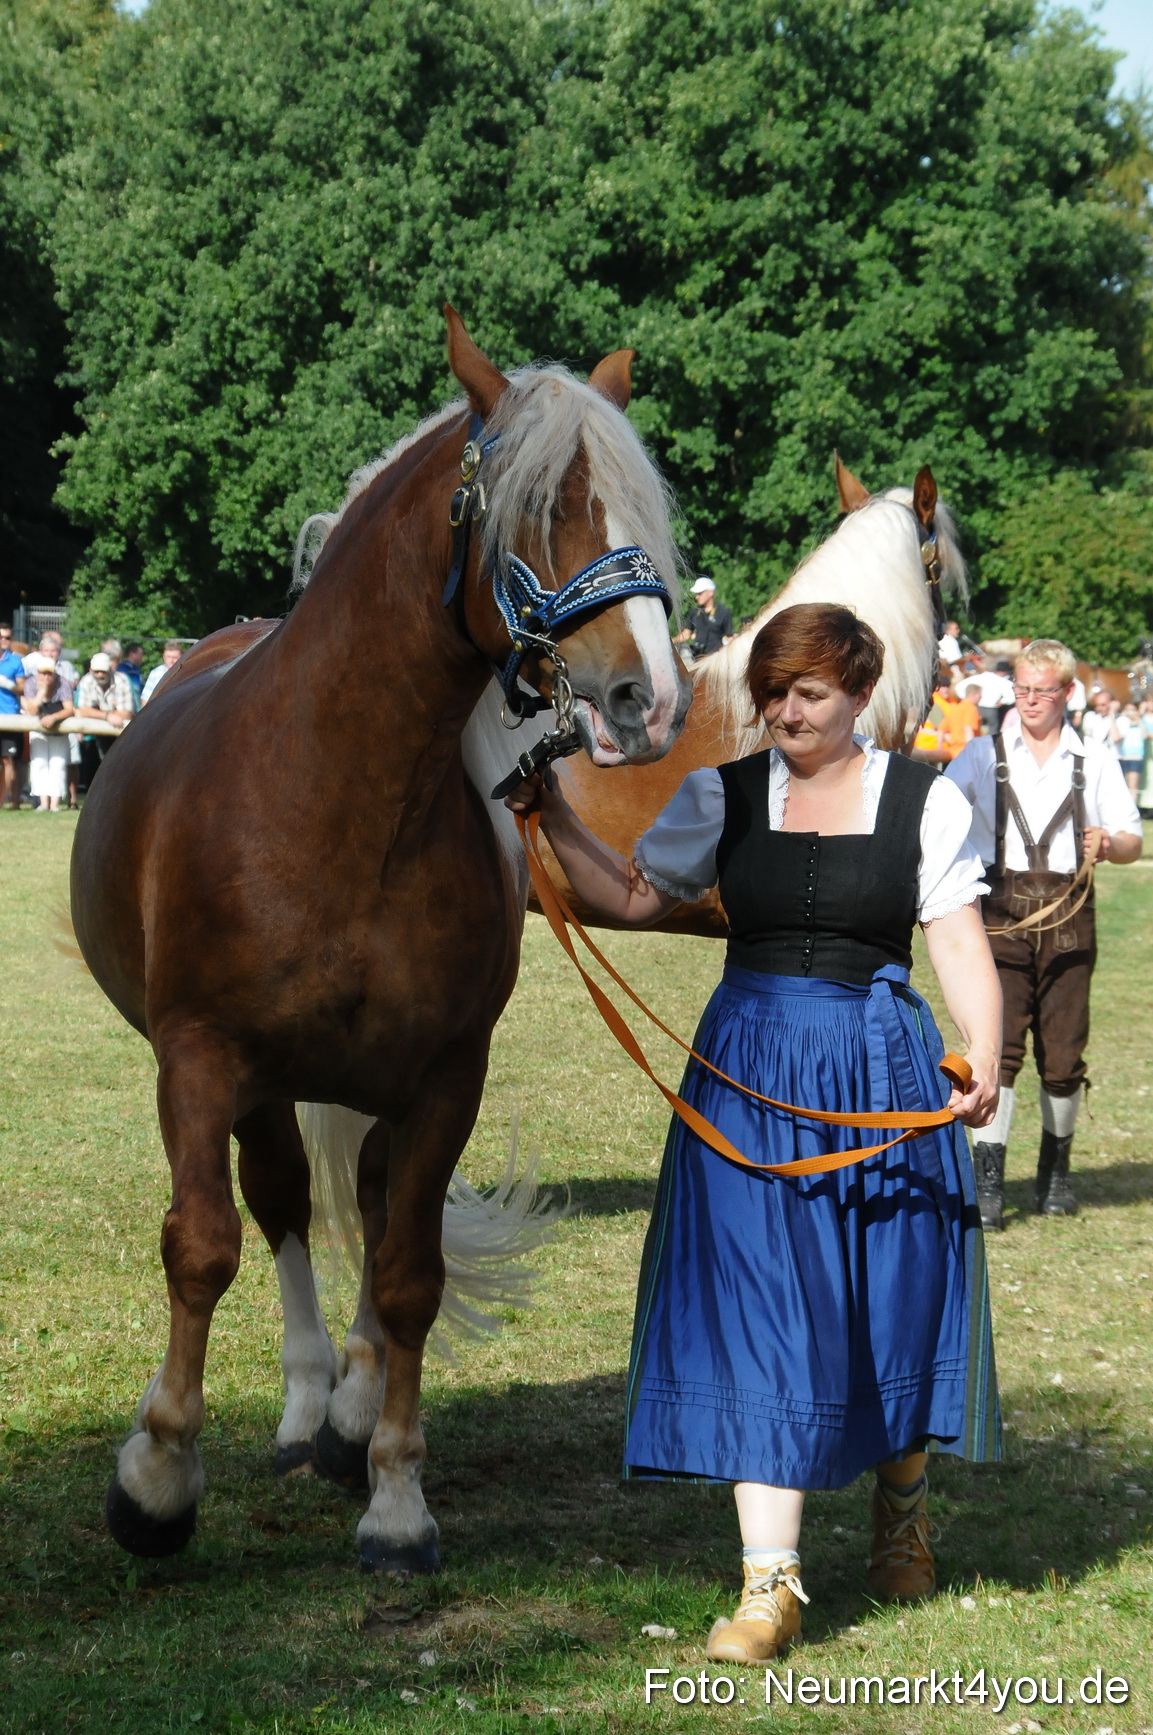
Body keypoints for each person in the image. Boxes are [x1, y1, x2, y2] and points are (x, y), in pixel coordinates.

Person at [506, 603, 1002, 1659]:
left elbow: (955, 936)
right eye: (771, 693)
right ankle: (767, 1587)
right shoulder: (719, 795)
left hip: (881, 1073)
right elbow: (635, 896)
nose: (784, 711)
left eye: (807, 694)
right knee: (758, 1310)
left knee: (890, 1296)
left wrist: (984, 1047)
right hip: (747, 1071)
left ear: (860, 694)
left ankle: (901, 1509)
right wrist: (548, 811)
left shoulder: (925, 801)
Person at [947, 640, 1142, 1228]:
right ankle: (987, 1185)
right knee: (998, 1050)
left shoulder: (1095, 758)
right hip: (1001, 918)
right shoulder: (982, 754)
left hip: (1069, 922)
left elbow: (1134, 842)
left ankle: (1055, 1174)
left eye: (1042, 691)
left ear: (1067, 694)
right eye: (1022, 690)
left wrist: (1109, 843)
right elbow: (939, 813)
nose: (1030, 701)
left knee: (1063, 1057)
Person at [20, 652, 74, 811]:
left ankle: (55, 804)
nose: (46, 676)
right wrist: (41, 693)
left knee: (58, 764)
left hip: (59, 730)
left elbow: (69, 709)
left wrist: (54, 718)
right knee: (39, 764)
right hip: (38, 730)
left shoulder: (63, 683)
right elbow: (31, 710)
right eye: (42, 673)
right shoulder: (30, 684)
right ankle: (43, 803)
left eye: (49, 673)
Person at [913, 664, 980, 763]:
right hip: (928, 745)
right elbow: (940, 727)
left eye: (948, 686)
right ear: (936, 688)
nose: (946, 689)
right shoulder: (934, 703)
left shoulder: (953, 702)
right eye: (942, 686)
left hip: (948, 747)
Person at [674, 578, 734, 660]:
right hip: (696, 658)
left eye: (700, 593)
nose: (696, 597)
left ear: (711, 592)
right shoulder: (694, 612)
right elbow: (686, 634)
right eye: (696, 594)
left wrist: (723, 650)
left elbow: (730, 636)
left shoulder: (723, 612)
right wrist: (670, 642)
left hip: (714, 660)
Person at [0, 622, 26, 810]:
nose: (3, 641)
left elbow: (21, 688)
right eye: (1, 637)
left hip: (9, 717)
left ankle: (5, 801)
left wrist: (7, 684)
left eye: (7, 637)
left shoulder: (16, 662)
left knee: (8, 761)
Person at [958, 653, 1015, 736]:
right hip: (991, 709)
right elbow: (1012, 693)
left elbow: (959, 686)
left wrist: (967, 698)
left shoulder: (977, 678)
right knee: (993, 732)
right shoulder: (1000, 680)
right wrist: (1003, 701)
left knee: (977, 729)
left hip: (978, 707)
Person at [141, 639, 184, 704]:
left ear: (182, 657)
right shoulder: (155, 674)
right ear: (163, 657)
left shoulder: (187, 673)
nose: (171, 660)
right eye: (168, 657)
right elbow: (145, 700)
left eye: (175, 657)